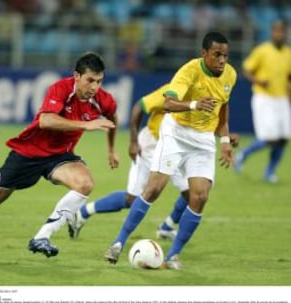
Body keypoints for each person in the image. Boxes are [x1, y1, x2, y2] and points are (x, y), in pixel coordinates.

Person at [0, 52, 119, 258]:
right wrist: (86, 124)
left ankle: (42, 237)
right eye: (90, 80)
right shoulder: (60, 88)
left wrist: (111, 149)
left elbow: (111, 118)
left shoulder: (103, 100)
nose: (94, 87)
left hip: (60, 157)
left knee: (85, 184)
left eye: (99, 81)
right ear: (77, 76)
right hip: (29, 153)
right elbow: (46, 121)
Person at [103, 32, 237, 270]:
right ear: (204, 53)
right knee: (154, 188)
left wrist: (225, 139)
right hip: (176, 133)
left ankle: (173, 255)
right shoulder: (189, 72)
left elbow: (223, 108)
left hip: (204, 139)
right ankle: (118, 242)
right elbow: (168, 104)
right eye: (217, 55)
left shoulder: (230, 75)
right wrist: (194, 103)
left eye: (225, 55)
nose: (222, 60)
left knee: (200, 196)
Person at [68, 84, 239, 241]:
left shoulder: (201, 97)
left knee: (191, 193)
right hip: (151, 146)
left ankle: (167, 227)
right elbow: (139, 107)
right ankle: (82, 213)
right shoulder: (171, 91)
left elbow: (204, 125)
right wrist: (134, 142)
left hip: (179, 147)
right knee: (132, 199)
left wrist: (225, 137)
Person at [234, 20, 291, 183]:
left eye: (282, 31)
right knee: (269, 138)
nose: (279, 34)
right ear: (272, 32)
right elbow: (246, 70)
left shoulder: (288, 53)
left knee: (284, 138)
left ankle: (269, 172)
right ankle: (242, 155)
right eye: (277, 31)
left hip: (281, 99)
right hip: (264, 98)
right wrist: (258, 81)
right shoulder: (262, 50)